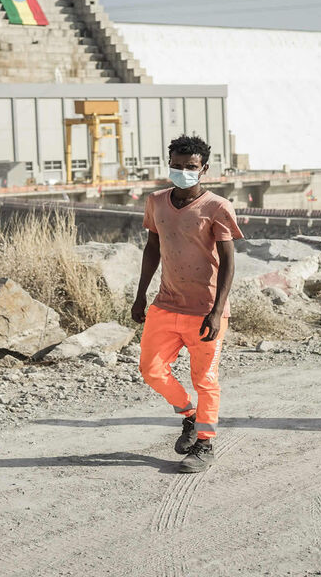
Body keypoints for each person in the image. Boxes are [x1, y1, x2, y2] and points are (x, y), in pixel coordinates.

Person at [132, 135, 242, 473]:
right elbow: (152, 248)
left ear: (204, 169)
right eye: (177, 166)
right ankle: (189, 416)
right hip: (165, 304)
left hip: (205, 310)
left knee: (205, 379)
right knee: (150, 370)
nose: (182, 172)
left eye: (190, 167)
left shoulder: (217, 208)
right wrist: (140, 295)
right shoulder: (156, 202)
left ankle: (205, 444)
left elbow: (228, 262)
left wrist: (216, 309)